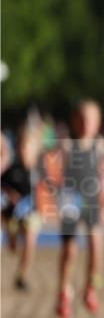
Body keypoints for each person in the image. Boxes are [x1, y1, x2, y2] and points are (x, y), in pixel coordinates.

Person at [54, 99, 104, 318]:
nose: (86, 124)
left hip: (91, 199)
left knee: (96, 244)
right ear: (76, 121)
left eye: (91, 119)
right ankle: (64, 293)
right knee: (70, 251)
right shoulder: (67, 145)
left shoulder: (100, 145)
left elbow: (101, 170)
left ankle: (91, 287)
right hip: (70, 199)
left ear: (98, 122)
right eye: (82, 119)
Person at [1, 124, 43, 290]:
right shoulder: (11, 169)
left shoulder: (39, 169)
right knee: (13, 247)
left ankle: (22, 276)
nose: (25, 151)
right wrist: (10, 195)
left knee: (31, 241)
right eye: (23, 147)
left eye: (30, 147)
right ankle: (11, 241)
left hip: (31, 213)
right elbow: (2, 187)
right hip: (12, 214)